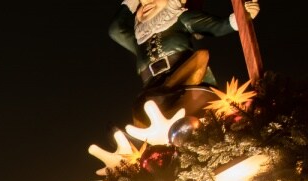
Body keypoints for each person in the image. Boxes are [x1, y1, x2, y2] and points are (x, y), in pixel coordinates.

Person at [108, 0, 260, 117]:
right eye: (140, 2)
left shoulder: (181, 19)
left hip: (185, 80)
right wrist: (132, 2)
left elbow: (218, 26)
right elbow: (115, 29)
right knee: (146, 111)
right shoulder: (138, 40)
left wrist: (242, 16)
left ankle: (168, 93)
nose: (146, 2)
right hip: (152, 89)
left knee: (200, 59)